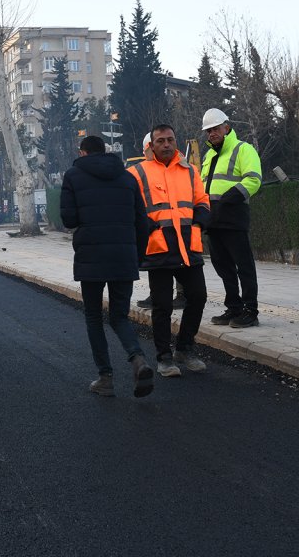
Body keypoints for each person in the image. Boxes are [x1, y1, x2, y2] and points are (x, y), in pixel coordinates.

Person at [61, 135, 156, 398]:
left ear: (83, 153)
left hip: (91, 256)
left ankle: (106, 378)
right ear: (105, 151)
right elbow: (142, 222)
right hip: (123, 255)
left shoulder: (73, 176)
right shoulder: (128, 178)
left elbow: (68, 219)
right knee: (118, 316)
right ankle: (138, 359)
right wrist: (136, 257)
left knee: (93, 316)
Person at [126, 124, 211, 377]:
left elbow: (202, 200)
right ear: (151, 146)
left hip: (187, 245)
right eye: (161, 140)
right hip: (159, 247)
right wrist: (145, 226)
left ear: (176, 142)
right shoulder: (137, 173)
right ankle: (164, 357)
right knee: (162, 305)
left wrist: (200, 221)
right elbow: (130, 207)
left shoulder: (189, 170)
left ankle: (184, 349)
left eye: (170, 140)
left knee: (198, 297)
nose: (166, 144)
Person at [199, 108, 263, 328]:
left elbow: (253, 180)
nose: (211, 134)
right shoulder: (209, 156)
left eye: (215, 129)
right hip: (213, 221)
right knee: (223, 267)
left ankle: (250, 311)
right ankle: (233, 307)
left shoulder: (243, 149)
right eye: (208, 131)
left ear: (227, 127)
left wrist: (228, 199)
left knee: (243, 266)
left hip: (234, 218)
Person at [131, 131, 187, 312]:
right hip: (158, 231)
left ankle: (181, 294)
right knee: (159, 268)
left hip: (178, 228)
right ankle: (159, 295)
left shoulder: (180, 168)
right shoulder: (144, 170)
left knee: (179, 263)